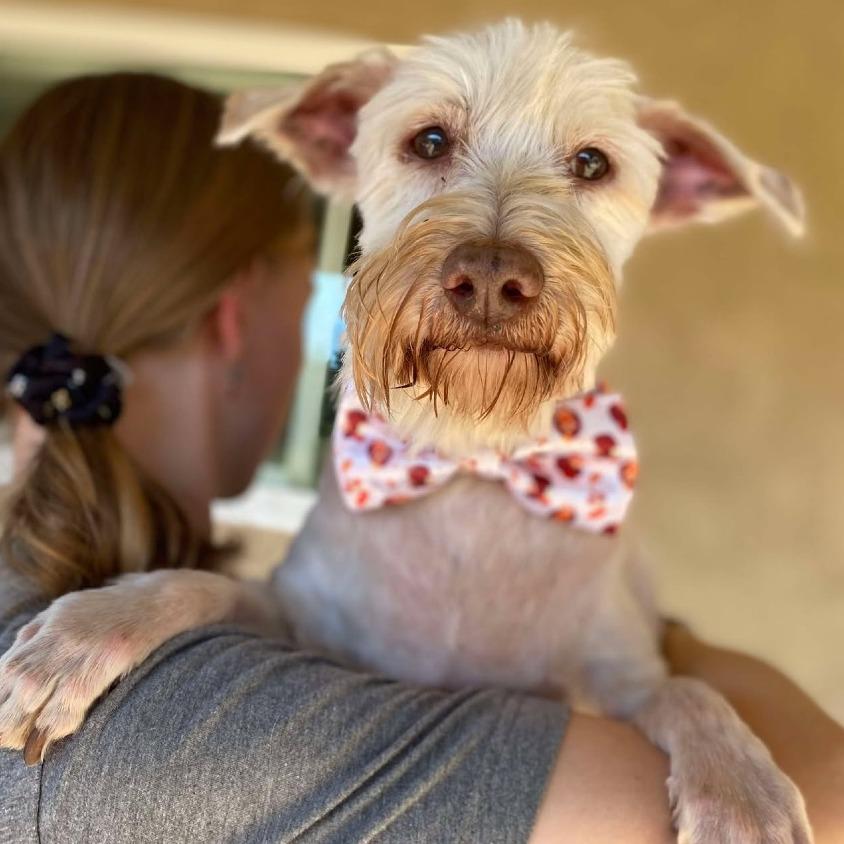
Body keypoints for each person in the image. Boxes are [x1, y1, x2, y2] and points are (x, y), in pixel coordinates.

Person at [0, 73, 841, 844]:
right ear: (237, 315)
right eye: (432, 147)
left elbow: (290, 618)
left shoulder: (80, 621)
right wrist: (663, 650)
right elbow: (828, 804)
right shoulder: (177, 715)